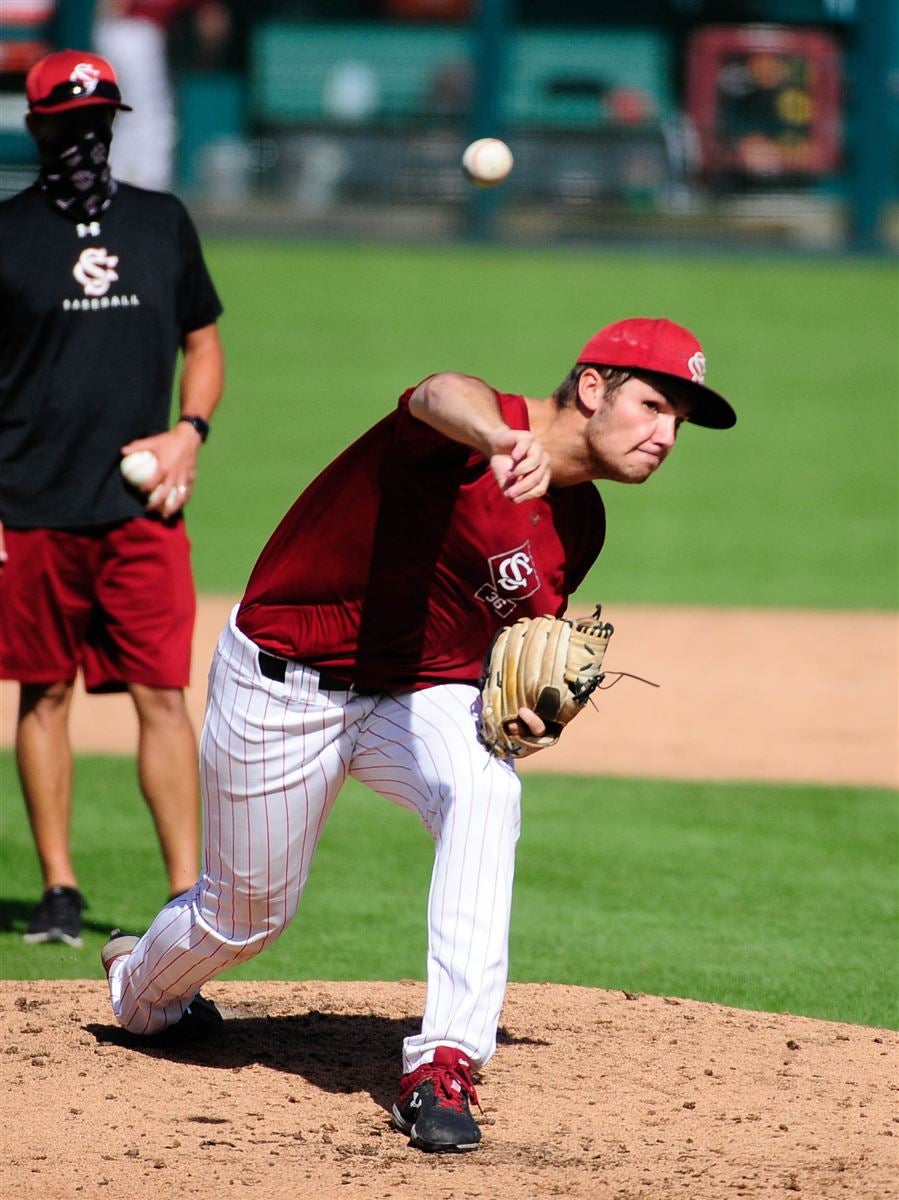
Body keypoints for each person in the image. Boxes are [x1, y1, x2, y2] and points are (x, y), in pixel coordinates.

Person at [101, 317, 735, 1152]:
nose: (664, 435)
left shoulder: (579, 525)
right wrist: (500, 438)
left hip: (416, 696)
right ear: (592, 388)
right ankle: (137, 986)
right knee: (244, 915)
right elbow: (439, 391)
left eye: (678, 424)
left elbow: (498, 653)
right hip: (283, 683)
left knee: (486, 790)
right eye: (653, 405)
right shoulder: (466, 434)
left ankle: (442, 1063)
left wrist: (522, 714)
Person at [0, 49, 225, 948]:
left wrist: (190, 431)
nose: (85, 138)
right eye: (69, 123)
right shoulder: (6, 235)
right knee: (42, 692)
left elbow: (202, 344)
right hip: (31, 502)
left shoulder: (161, 223)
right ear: (38, 127)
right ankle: (59, 889)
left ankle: (188, 895)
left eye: (99, 122)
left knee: (162, 693)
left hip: (145, 509)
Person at [93, 0, 231, 191]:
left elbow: (212, 20)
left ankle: (119, 177)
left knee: (129, 111)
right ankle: (147, 181)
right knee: (151, 112)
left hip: (125, 32)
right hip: (133, 32)